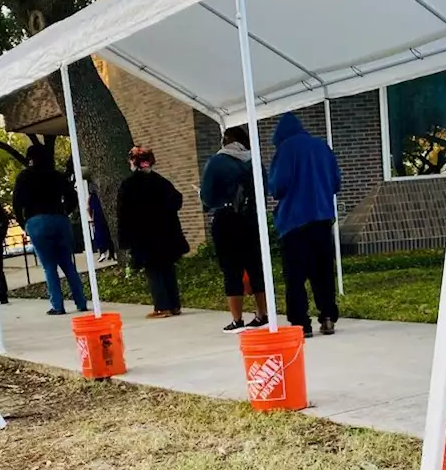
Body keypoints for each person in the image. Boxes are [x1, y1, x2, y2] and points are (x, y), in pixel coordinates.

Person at [269, 112, 342, 337]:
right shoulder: (321, 147)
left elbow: (277, 187)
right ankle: (328, 317)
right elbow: (336, 183)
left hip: (294, 224)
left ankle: (302, 323)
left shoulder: (285, 149)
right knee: (323, 274)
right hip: (322, 219)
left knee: (295, 277)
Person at [201, 125, 269, 333]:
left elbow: (207, 196)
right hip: (251, 220)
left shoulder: (216, 162)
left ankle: (237, 320)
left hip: (226, 220)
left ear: (225, 141)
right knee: (256, 267)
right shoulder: (254, 160)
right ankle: (263, 314)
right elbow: (265, 189)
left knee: (231, 270)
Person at [12, 144, 88, 316]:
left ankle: (57, 305)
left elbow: (17, 203)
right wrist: (65, 211)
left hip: (36, 220)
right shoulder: (56, 175)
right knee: (68, 264)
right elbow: (73, 196)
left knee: (49, 267)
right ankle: (81, 302)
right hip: (59, 218)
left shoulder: (24, 177)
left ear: (30, 158)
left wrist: (23, 223)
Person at [117, 146, 188, 319]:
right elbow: (176, 200)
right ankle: (174, 305)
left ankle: (162, 306)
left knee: (153, 270)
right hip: (166, 233)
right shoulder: (160, 182)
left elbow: (123, 213)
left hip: (144, 236)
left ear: (133, 162)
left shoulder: (129, 185)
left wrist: (125, 238)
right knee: (167, 268)